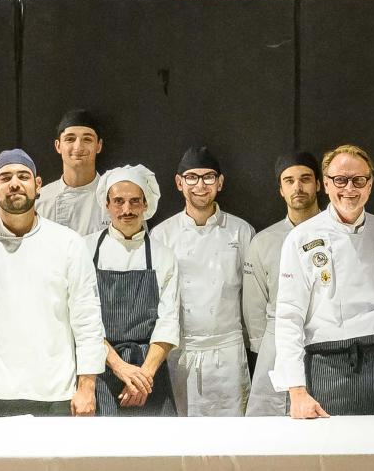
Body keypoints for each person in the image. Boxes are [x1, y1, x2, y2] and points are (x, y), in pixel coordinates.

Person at [0, 149, 103, 417]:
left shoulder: (68, 243)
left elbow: (88, 322)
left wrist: (87, 389)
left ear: (37, 185)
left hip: (55, 393)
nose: (14, 183)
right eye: (5, 178)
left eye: (23, 176)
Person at [273, 144, 374, 417]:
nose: (349, 189)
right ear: (326, 185)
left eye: (358, 180)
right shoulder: (301, 238)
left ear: (370, 184)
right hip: (324, 363)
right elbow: (288, 316)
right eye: (340, 180)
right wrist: (296, 389)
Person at [151, 147, 254, 416]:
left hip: (228, 353)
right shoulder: (162, 235)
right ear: (179, 183)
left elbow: (252, 297)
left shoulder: (241, 231)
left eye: (208, 177)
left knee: (234, 442)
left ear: (220, 183)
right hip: (182, 353)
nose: (200, 185)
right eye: (192, 177)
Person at [90, 165, 179, 416]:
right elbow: (83, 321)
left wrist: (144, 378)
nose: (126, 210)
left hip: (149, 371)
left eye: (134, 201)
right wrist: (120, 368)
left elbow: (169, 322)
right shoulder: (85, 251)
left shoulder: (163, 256)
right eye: (118, 201)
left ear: (145, 204)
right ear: (107, 204)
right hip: (102, 369)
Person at [244, 152, 321, 416]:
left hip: (325, 347)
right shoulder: (263, 242)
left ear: (319, 184)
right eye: (289, 181)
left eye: (305, 179)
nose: (297, 187)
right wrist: (264, 348)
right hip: (276, 346)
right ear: (280, 189)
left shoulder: (335, 233)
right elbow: (254, 307)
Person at [35, 109, 112, 236]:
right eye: (70, 139)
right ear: (58, 146)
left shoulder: (117, 199)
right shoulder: (39, 201)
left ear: (99, 145)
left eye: (87, 139)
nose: (78, 147)